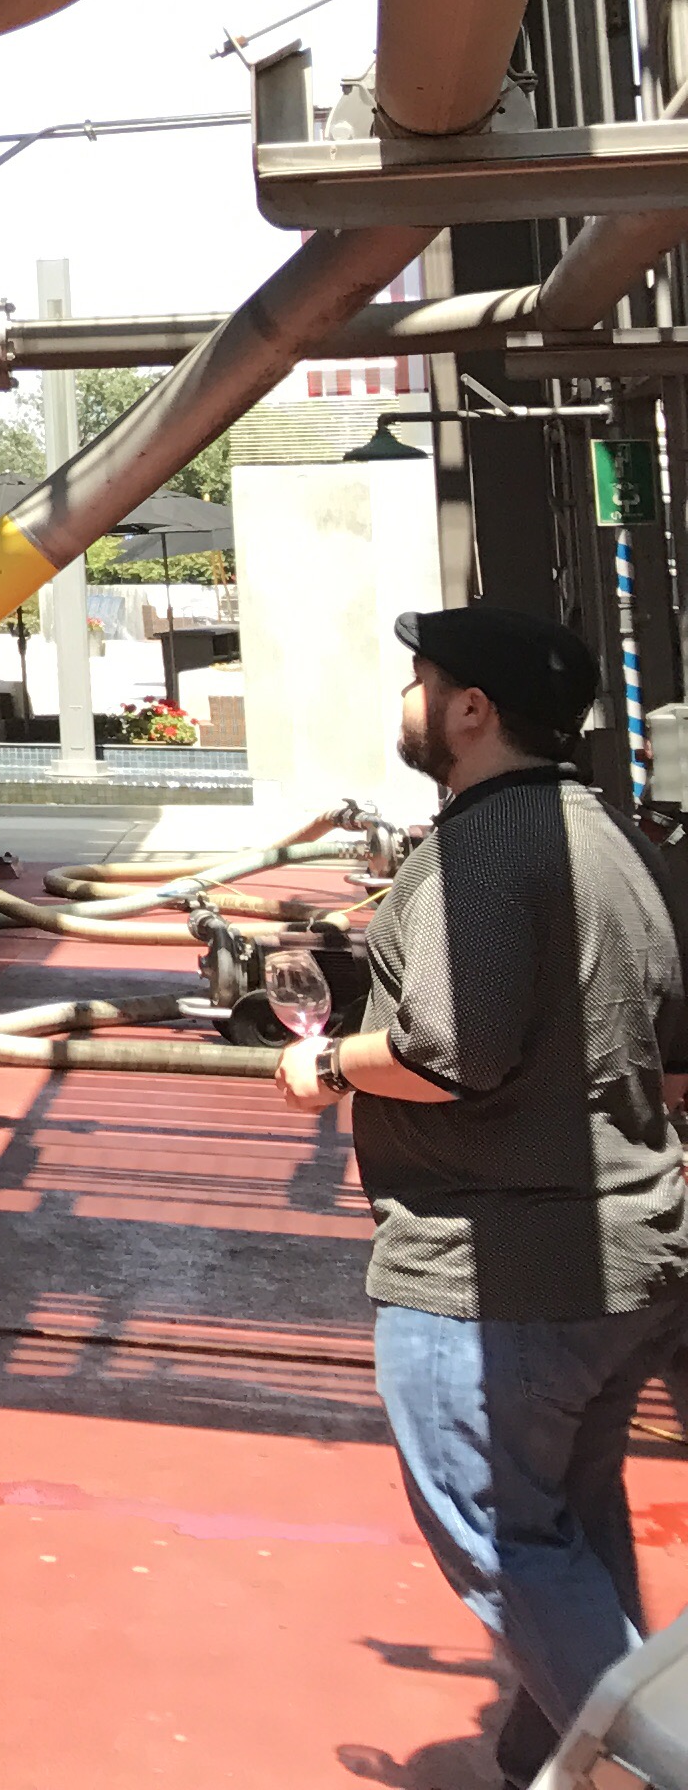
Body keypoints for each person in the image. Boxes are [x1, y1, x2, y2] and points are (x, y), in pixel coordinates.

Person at [271, 603, 688, 1789]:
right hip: (623, 1257)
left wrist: (326, 1065)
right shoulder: (609, 839)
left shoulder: (488, 848)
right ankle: (549, 1753)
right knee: (569, 1521)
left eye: (420, 681)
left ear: (470, 709)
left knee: (504, 1537)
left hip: (495, 1274)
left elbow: (451, 1053)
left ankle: (655, 1765)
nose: (406, 702)